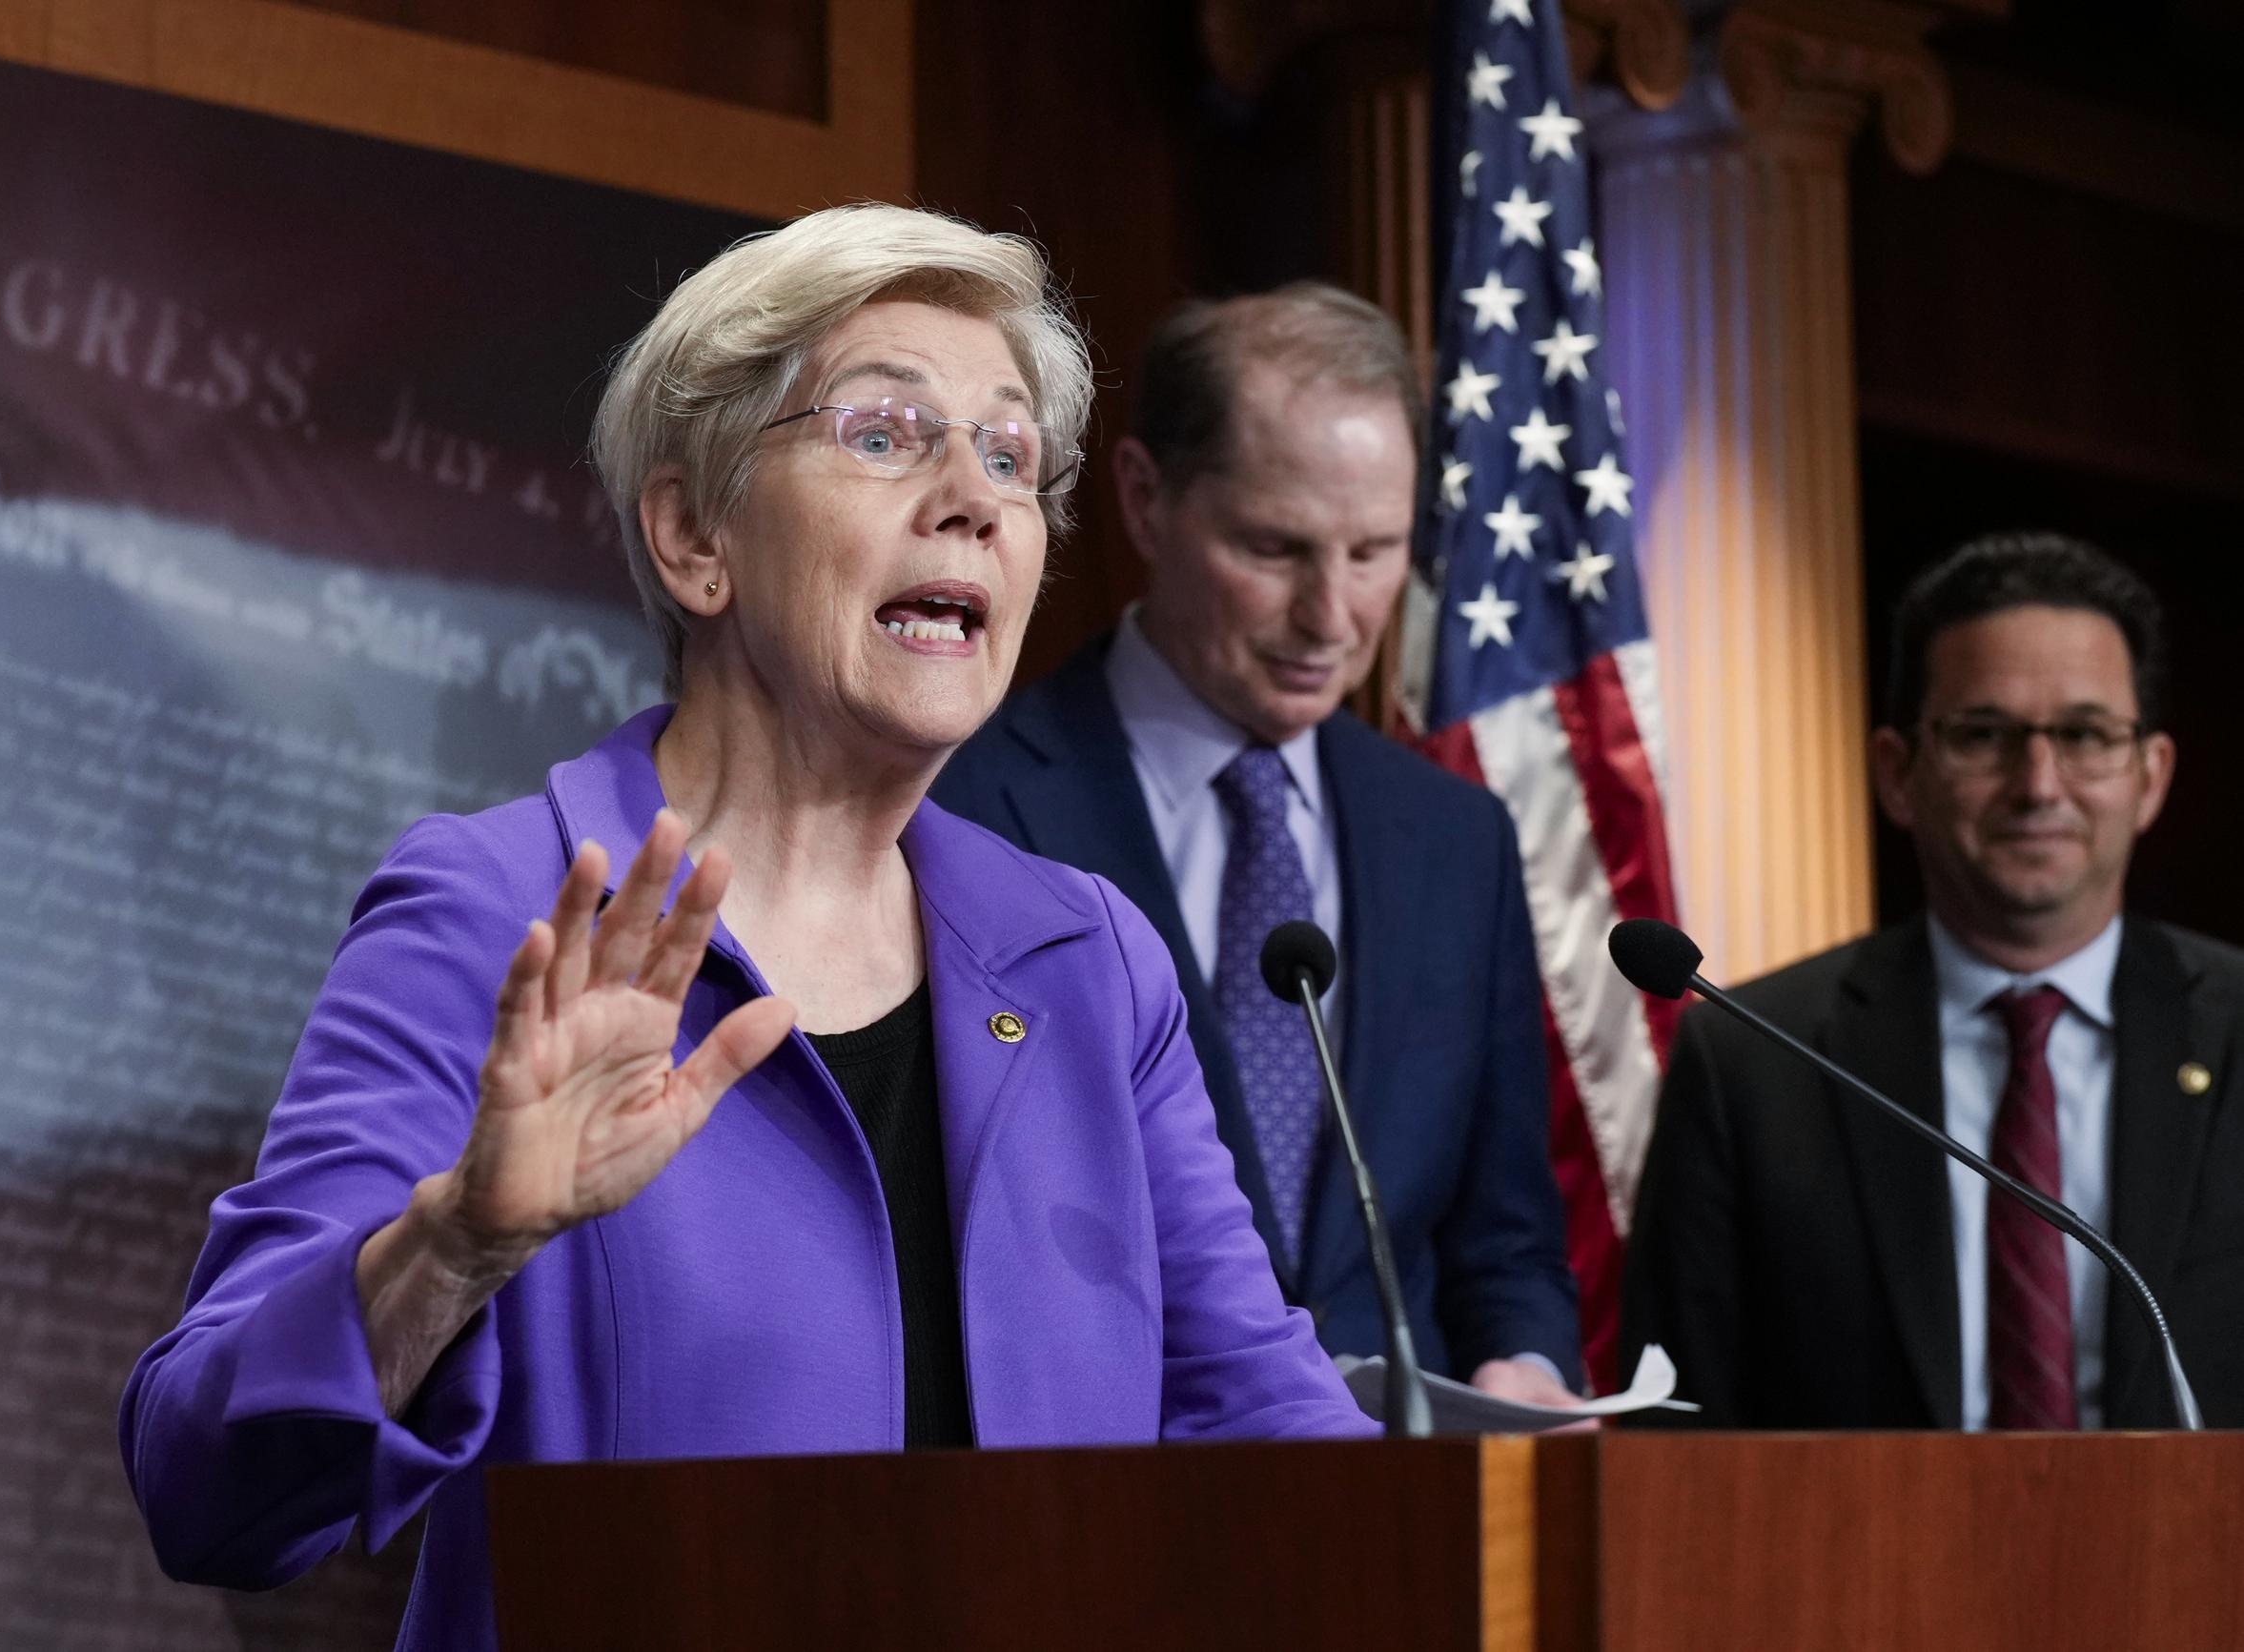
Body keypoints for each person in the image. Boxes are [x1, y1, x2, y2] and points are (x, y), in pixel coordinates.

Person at [120, 206, 1369, 1647]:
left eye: (1011, 455)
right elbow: (202, 1484)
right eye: (887, 432)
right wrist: (454, 1245)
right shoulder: (500, 909)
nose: (971, 494)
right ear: (693, 535)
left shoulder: (1084, 962)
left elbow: (1271, 1435)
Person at [933, 284, 1582, 1405]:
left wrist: (1522, 1365)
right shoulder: (967, 799)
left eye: (1374, 550)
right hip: (1103, 1501)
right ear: (1144, 499)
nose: (1332, 615)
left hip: (1401, 1509)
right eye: (1275, 548)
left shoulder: (1455, 839)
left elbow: (1505, 1238)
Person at [1623, 532, 2244, 1429]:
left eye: (2084, 735)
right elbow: (1674, 1423)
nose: (2037, 784)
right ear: (1897, 772)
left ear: (2149, 778)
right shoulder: (1756, 1056)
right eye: (1983, 734)